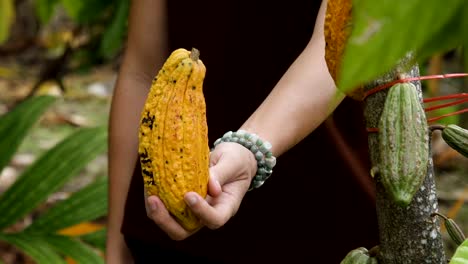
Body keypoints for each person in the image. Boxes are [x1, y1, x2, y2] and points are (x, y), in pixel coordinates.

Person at [106, 0, 379, 263]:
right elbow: (143, 72)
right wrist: (117, 241)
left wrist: (248, 148)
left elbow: (340, 46)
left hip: (317, 220)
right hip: (169, 227)